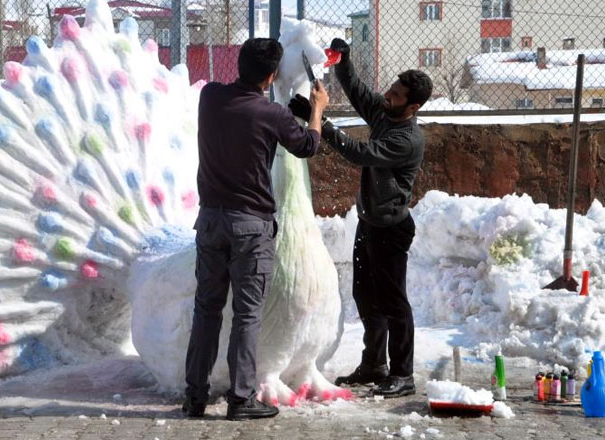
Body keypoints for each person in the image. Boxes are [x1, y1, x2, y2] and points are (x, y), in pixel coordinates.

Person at [184, 37, 328, 421]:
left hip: (211, 220)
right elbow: (308, 147)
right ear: (271, 76)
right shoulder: (273, 115)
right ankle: (241, 398)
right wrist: (317, 110)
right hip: (250, 226)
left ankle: (194, 396)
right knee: (247, 314)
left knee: (207, 310)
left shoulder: (210, 97)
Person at [288, 38, 433, 398]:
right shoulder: (386, 113)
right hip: (370, 223)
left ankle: (403, 374)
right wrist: (345, 60)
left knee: (393, 301)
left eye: (396, 95)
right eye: (391, 88)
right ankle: (374, 364)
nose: (388, 95)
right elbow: (355, 89)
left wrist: (317, 118)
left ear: (412, 106)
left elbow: (359, 153)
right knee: (366, 297)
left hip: (391, 229)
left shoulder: (406, 139)